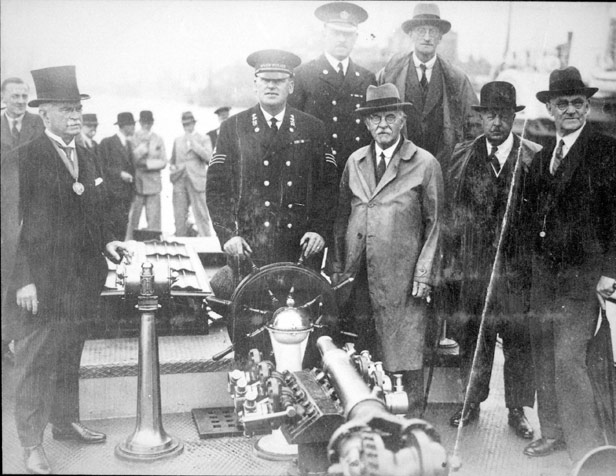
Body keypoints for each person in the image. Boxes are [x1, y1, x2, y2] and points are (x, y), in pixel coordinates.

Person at [6, 65, 130, 475]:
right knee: (33, 361)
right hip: (40, 284)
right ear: (44, 115)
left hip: (81, 279)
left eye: (77, 108)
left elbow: (93, 212)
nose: (75, 116)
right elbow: (8, 228)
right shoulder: (22, 158)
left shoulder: (88, 152)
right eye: (66, 109)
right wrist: (22, 278)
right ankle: (30, 444)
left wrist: (108, 240)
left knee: (68, 353)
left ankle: (64, 422)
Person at [206, 49, 339, 359]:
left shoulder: (313, 128)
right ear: (255, 84)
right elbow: (216, 189)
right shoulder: (233, 128)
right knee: (249, 331)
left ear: (291, 86)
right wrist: (229, 236)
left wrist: (320, 231)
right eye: (265, 80)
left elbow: (328, 187)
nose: (271, 86)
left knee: (300, 327)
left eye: (279, 81)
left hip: (301, 250)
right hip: (250, 249)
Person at [331, 83, 444, 416]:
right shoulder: (355, 161)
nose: (382, 124)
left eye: (390, 116)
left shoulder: (424, 164)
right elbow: (341, 217)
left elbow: (437, 223)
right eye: (375, 118)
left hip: (404, 277)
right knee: (364, 349)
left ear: (402, 120)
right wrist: (339, 267)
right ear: (367, 124)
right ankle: (369, 416)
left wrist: (424, 273)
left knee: (406, 350)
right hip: (360, 274)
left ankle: (411, 422)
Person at [523, 66, 616, 464]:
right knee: (543, 352)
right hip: (544, 278)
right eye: (563, 104)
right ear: (551, 109)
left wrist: (611, 270)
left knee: (568, 357)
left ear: (586, 107)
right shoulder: (543, 157)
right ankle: (554, 432)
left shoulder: (606, 151)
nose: (573, 110)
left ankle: (589, 448)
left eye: (579, 103)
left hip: (583, 279)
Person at [445, 82, 540, 439]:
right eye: (489, 115)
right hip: (475, 268)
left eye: (504, 115)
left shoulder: (533, 157)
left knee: (518, 341)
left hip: (517, 272)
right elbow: (452, 215)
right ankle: (471, 401)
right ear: (481, 117)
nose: (497, 122)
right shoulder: (462, 156)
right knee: (473, 337)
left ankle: (517, 410)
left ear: (514, 118)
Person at [377, 2, 477, 172]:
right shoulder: (390, 74)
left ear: (440, 37)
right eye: (421, 31)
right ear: (411, 34)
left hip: (441, 169)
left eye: (433, 31)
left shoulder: (457, 79)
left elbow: (474, 125)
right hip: (398, 168)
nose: (427, 37)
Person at [288, 1, 376, 173]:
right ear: (324, 33)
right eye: (336, 33)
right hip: (315, 171)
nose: (342, 39)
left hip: (356, 172)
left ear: (356, 37)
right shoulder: (303, 74)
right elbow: (291, 128)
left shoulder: (367, 78)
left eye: (348, 34)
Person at [1, 77, 45, 364]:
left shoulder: (37, 124)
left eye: (24, 95)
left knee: (22, 267)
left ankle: (22, 339)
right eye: (15, 96)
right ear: (3, 97)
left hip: (27, 206)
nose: (20, 100)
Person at [170, 111, 214, 237]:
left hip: (197, 181)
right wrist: (173, 169)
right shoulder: (177, 140)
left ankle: (206, 244)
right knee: (179, 215)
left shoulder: (204, 139)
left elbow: (209, 157)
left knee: (201, 215)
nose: (187, 127)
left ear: (194, 124)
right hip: (180, 181)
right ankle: (180, 242)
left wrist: (194, 144)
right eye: (184, 125)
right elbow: (172, 160)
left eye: (189, 124)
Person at [127, 110, 167, 238]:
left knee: (154, 222)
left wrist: (147, 164)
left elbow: (163, 161)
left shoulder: (158, 139)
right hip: (136, 185)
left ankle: (155, 247)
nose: (146, 125)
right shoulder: (132, 138)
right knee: (132, 220)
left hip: (153, 186)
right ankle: (128, 246)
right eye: (144, 122)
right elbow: (130, 159)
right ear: (140, 123)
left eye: (149, 122)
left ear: (152, 123)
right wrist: (142, 148)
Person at [98, 112, 136, 240]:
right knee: (112, 229)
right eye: (132, 125)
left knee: (122, 228)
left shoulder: (129, 144)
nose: (134, 128)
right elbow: (101, 166)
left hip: (125, 196)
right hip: (112, 195)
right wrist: (119, 174)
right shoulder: (107, 143)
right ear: (125, 126)